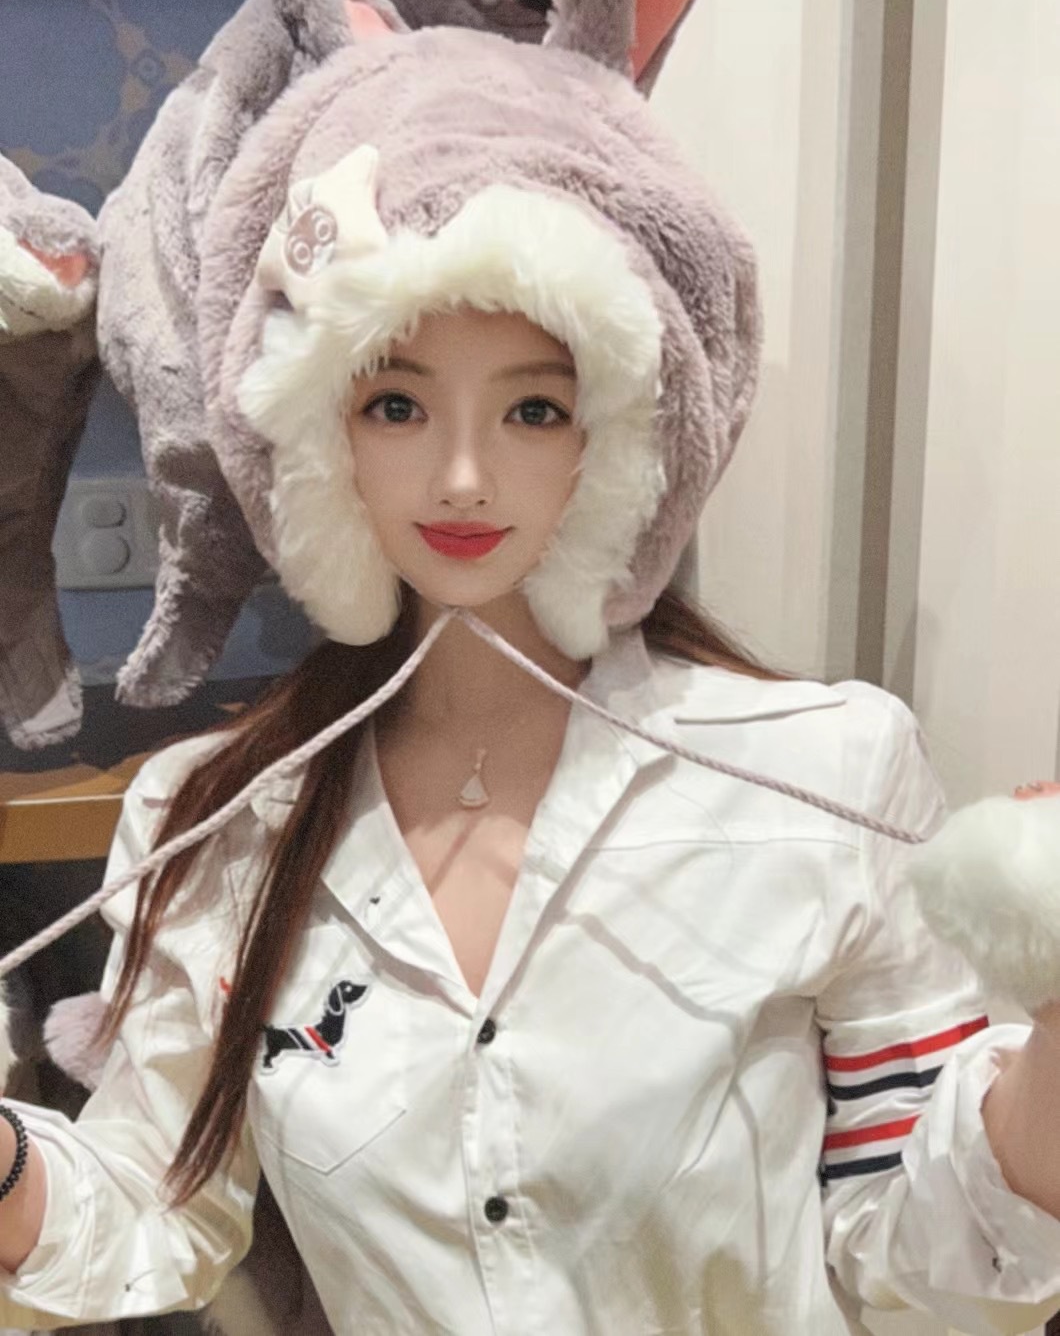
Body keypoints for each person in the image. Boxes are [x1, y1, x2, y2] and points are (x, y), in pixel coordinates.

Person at [0, 298, 1058, 1335]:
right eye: (397, 406)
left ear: (622, 435)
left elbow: (933, 1257)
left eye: (535, 410)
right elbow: (150, 1205)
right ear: (318, 434)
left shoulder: (824, 768)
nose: (462, 476)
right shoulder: (218, 818)